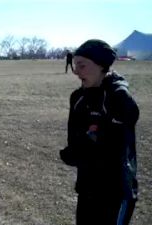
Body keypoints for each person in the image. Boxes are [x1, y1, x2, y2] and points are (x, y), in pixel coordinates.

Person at [60, 39, 139, 225]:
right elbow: (76, 140)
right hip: (87, 187)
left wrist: (92, 142)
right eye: (75, 65)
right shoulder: (78, 98)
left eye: (82, 65)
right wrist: (74, 152)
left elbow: (128, 118)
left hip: (116, 191)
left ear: (102, 66)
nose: (76, 71)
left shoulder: (117, 96)